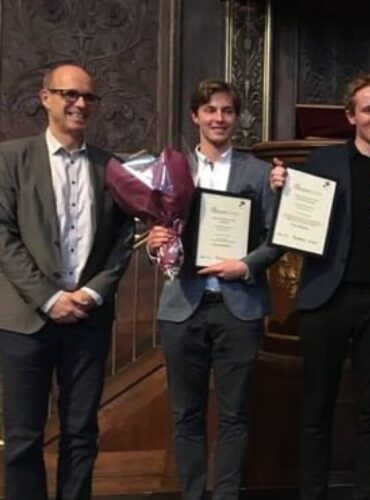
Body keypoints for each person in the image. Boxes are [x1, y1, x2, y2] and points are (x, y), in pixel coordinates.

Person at [269, 73, 370, 500]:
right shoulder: (323, 163)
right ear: (351, 116)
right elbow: (293, 219)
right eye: (368, 109)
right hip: (326, 298)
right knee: (317, 408)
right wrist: (279, 188)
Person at [0, 62, 134, 500]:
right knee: (22, 439)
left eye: (88, 97)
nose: (80, 104)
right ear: (45, 98)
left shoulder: (111, 167)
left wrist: (94, 293)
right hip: (26, 322)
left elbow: (123, 239)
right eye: (69, 94)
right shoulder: (11, 158)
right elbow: (3, 236)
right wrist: (49, 297)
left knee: (81, 434)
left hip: (88, 321)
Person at [146, 79, 281, 500]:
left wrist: (246, 265)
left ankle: (225, 495)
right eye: (210, 110)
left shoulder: (260, 173)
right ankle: (191, 494)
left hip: (238, 307)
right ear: (195, 116)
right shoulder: (170, 171)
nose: (218, 118)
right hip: (182, 306)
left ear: (236, 118)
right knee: (186, 415)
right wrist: (154, 244)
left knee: (234, 415)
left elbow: (277, 238)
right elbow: (157, 231)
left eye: (226, 111)